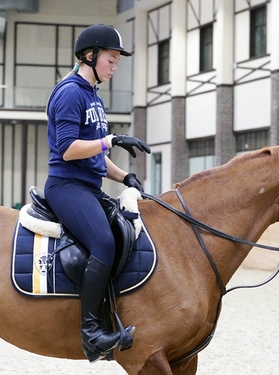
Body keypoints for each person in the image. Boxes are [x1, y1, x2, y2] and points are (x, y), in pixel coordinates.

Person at [44, 24, 151, 363]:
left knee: (122, 233)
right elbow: (68, 149)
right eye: (111, 58)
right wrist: (112, 140)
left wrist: (125, 177)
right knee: (103, 242)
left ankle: (111, 313)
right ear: (90, 56)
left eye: (117, 60)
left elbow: (96, 157)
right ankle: (92, 334)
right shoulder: (70, 92)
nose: (114, 66)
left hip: (89, 186)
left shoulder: (93, 96)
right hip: (66, 186)